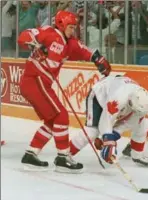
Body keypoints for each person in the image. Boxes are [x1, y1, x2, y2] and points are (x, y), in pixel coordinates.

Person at [17, 10, 111, 173]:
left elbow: (84, 51)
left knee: (53, 120)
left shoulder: (70, 43)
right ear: (60, 24)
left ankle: (31, 154)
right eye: (70, 26)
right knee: (61, 115)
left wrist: (99, 59)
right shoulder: (48, 32)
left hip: (41, 83)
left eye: (75, 27)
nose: (73, 29)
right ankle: (62, 157)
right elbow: (23, 36)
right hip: (34, 79)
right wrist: (35, 44)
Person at [69, 75, 148, 167]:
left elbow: (125, 124)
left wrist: (106, 141)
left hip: (119, 90)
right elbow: (106, 121)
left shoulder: (144, 99)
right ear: (130, 102)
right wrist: (108, 142)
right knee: (92, 131)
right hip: (99, 94)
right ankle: (65, 154)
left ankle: (137, 155)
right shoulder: (118, 99)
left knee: (142, 125)